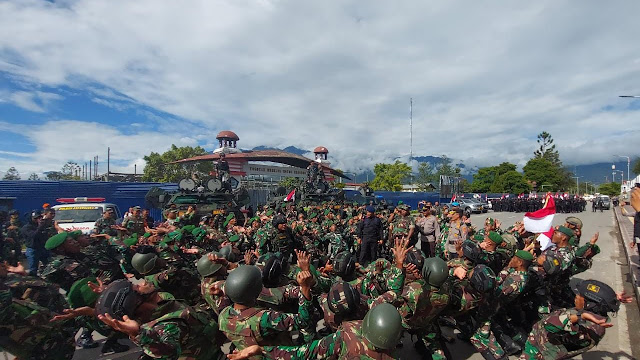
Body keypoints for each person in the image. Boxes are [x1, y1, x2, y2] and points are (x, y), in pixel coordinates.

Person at [20, 209, 55, 275]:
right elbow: (33, 235)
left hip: (43, 248)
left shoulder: (44, 225)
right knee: (33, 269)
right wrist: (40, 227)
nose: (38, 219)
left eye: (39, 218)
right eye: (35, 218)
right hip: (33, 249)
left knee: (50, 265)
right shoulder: (27, 227)